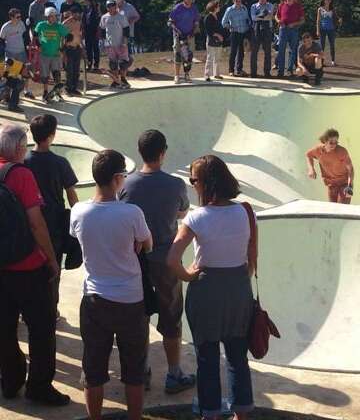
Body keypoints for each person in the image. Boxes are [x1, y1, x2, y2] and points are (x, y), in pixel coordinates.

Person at [167, 155, 257, 420]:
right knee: (237, 358)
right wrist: (239, 278)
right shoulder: (245, 211)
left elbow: (172, 259)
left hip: (206, 292)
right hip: (239, 288)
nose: (192, 185)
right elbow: (253, 257)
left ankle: (211, 414)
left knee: (207, 358)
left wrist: (188, 275)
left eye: (193, 180)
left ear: (204, 183)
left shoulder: (196, 218)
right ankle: (242, 414)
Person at [70, 149, 152, 420]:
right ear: (117, 178)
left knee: (93, 369)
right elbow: (147, 245)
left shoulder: (79, 211)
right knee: (134, 370)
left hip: (94, 298)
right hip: (130, 299)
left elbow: (77, 236)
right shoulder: (132, 213)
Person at [118, 130, 195, 394]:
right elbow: (183, 211)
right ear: (163, 153)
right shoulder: (175, 185)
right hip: (166, 260)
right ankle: (174, 373)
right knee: (171, 315)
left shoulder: (126, 184)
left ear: (140, 152)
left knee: (138, 312)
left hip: (135, 260)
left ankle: (140, 371)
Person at [0, 125, 70, 406]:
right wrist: (51, 259)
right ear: (18, 149)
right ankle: (39, 386)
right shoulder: (21, 174)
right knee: (41, 329)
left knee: (4, 327)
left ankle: (11, 378)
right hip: (28, 266)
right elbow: (36, 222)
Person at [25, 115, 79, 316]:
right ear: (51, 136)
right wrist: (79, 218)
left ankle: (28, 307)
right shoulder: (60, 162)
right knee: (53, 265)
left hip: (29, 221)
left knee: (31, 263)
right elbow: (72, 195)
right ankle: (51, 308)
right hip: (54, 223)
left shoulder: (24, 161)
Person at [306, 129, 354, 204]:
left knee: (342, 209)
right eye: (331, 142)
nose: (334, 145)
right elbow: (308, 155)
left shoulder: (342, 151)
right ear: (324, 141)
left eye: (336, 142)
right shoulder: (318, 150)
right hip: (331, 184)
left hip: (344, 184)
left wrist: (349, 186)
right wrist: (311, 169)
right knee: (333, 210)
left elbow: (350, 169)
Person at [35, 7, 68, 102]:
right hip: (44, 54)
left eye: (55, 16)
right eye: (51, 16)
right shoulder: (41, 25)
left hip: (55, 54)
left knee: (57, 74)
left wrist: (63, 48)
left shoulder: (59, 26)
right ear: (47, 17)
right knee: (45, 75)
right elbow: (35, 34)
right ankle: (45, 92)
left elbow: (68, 36)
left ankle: (57, 94)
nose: (54, 18)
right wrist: (38, 45)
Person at [0, 8, 35, 98]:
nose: (20, 18)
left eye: (20, 16)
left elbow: (24, 35)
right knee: (9, 73)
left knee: (26, 70)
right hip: (10, 53)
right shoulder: (5, 27)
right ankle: (6, 94)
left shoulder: (21, 24)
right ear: (11, 17)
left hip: (21, 52)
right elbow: (2, 39)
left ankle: (26, 91)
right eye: (17, 17)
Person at [169, 0, 200, 84]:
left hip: (189, 35)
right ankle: (177, 76)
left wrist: (193, 32)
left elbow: (196, 22)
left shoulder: (194, 8)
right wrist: (177, 31)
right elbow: (170, 22)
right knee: (178, 55)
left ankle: (187, 75)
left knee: (189, 56)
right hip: (178, 35)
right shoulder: (178, 8)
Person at [100, 0, 131, 89]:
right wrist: (103, 42)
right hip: (110, 44)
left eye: (112, 6)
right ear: (107, 8)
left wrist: (124, 42)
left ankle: (123, 79)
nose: (111, 8)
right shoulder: (104, 17)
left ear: (115, 6)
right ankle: (115, 80)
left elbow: (126, 29)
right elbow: (102, 30)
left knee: (123, 63)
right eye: (109, 6)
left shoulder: (121, 16)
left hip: (121, 43)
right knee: (113, 64)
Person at [275, 0, 305, 78]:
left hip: (293, 30)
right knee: (281, 50)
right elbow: (276, 16)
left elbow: (303, 20)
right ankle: (280, 71)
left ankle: (289, 70)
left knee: (293, 51)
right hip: (283, 29)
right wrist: (278, 21)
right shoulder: (281, 5)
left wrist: (294, 24)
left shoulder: (298, 6)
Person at [222, 0, 251, 77]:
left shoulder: (244, 8)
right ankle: (231, 70)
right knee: (233, 52)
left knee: (241, 52)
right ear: (233, 1)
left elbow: (247, 19)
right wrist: (230, 27)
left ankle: (239, 70)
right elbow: (223, 22)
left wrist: (249, 24)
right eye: (236, 1)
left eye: (239, 1)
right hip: (234, 33)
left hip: (243, 33)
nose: (238, 2)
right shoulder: (230, 10)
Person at [250, 0, 274, 78]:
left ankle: (267, 72)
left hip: (267, 29)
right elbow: (253, 18)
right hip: (256, 29)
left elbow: (270, 17)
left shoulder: (270, 5)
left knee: (267, 52)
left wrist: (259, 16)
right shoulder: (253, 6)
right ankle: (253, 73)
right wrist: (264, 15)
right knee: (254, 52)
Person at [62, 6, 83, 95]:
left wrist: (82, 46)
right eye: (74, 13)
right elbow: (62, 37)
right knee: (69, 70)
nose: (76, 14)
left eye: (77, 13)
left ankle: (74, 88)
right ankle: (68, 89)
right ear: (71, 13)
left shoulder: (79, 23)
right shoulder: (65, 23)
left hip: (77, 47)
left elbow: (79, 35)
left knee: (76, 70)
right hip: (68, 49)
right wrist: (62, 50)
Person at [204, 1, 224, 82]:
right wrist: (218, 35)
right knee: (210, 58)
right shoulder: (208, 17)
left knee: (217, 58)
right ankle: (207, 75)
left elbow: (220, 28)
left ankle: (217, 74)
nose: (219, 7)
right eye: (218, 6)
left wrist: (221, 36)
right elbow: (209, 31)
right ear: (214, 8)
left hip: (218, 41)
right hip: (211, 40)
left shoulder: (218, 16)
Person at [316, 0, 339, 67]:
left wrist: (339, 20)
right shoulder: (320, 9)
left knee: (332, 45)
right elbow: (318, 21)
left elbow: (336, 19)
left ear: (330, 1)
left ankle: (333, 61)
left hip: (331, 29)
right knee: (321, 46)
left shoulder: (333, 9)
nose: (327, 1)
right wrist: (317, 30)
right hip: (322, 29)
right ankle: (322, 62)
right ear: (323, 0)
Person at [82, 0, 100, 71]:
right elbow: (84, 19)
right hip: (87, 31)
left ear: (88, 0)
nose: (84, 2)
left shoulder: (96, 7)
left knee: (95, 48)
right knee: (88, 48)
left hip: (94, 30)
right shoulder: (85, 9)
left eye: (85, 0)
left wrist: (98, 30)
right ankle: (89, 65)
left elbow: (99, 18)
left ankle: (96, 65)